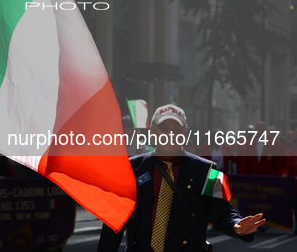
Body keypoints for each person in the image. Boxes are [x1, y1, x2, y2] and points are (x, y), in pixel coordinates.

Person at [98, 104, 266, 252]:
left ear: (185, 131)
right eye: (164, 128)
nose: (170, 134)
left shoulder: (211, 170)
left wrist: (237, 225)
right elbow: (114, 222)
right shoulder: (129, 168)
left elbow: (222, 211)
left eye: (176, 129)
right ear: (153, 131)